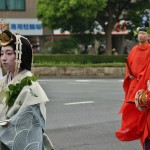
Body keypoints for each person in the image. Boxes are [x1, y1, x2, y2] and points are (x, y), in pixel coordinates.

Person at [0, 30, 54, 150]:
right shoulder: (2, 82)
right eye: (1, 53)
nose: (3, 58)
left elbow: (25, 125)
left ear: (20, 55)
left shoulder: (31, 87)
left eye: (9, 53)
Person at [116, 27, 150, 149]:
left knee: (143, 108)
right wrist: (129, 75)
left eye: (143, 34)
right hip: (133, 84)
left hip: (144, 84)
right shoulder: (134, 50)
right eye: (139, 34)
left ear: (148, 37)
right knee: (130, 107)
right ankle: (132, 127)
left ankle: (142, 129)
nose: (141, 36)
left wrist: (142, 77)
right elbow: (128, 65)